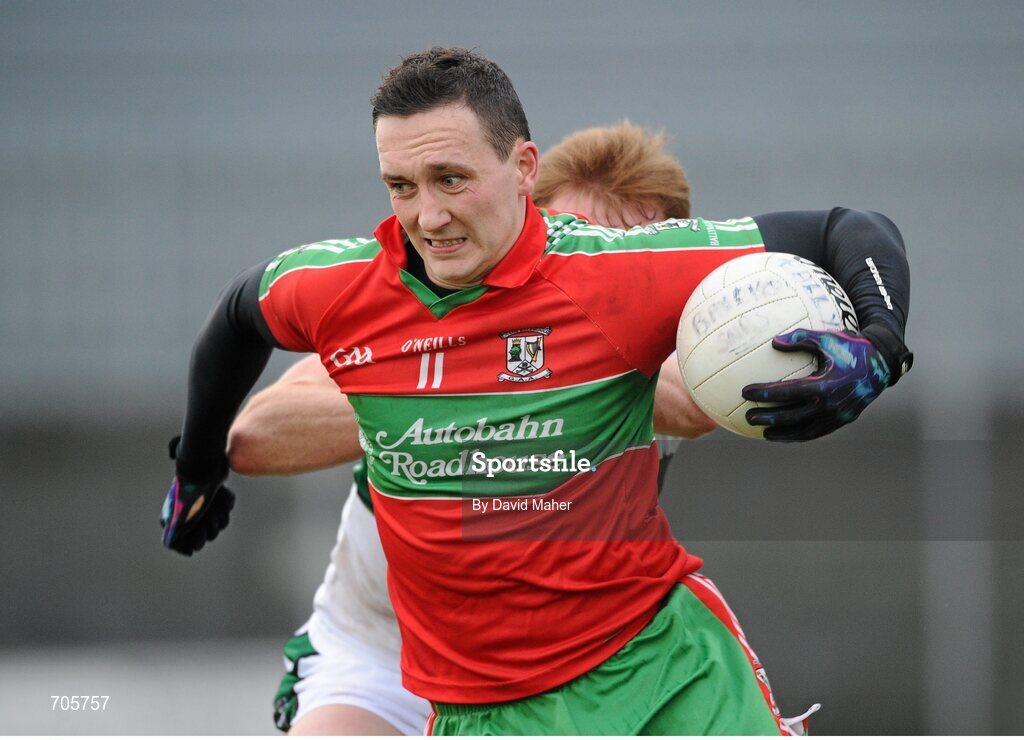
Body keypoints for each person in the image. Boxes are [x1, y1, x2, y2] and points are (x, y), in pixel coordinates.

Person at [161, 47, 912, 735]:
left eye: (450, 179)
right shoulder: (376, 310)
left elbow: (845, 236)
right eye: (404, 185)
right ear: (534, 198)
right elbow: (253, 432)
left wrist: (876, 350)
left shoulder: (646, 327)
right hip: (384, 659)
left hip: (620, 658)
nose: (428, 213)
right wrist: (203, 462)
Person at [227, 121, 713, 735]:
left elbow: (703, 401)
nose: (598, 276)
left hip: (566, 675)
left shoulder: (664, 359)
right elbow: (253, 436)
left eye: (622, 258)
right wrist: (430, 404)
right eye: (578, 244)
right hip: (382, 658)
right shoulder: (413, 333)